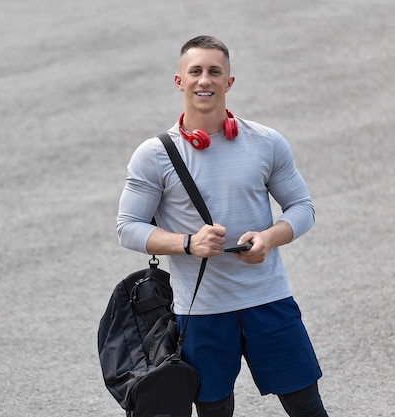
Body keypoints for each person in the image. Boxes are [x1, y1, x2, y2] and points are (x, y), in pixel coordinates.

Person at [116, 35, 329, 417]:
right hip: (200, 313)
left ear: (229, 82)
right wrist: (187, 242)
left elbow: (302, 208)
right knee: (215, 412)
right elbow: (128, 228)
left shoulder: (266, 142)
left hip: (270, 301)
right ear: (179, 81)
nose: (205, 80)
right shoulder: (154, 155)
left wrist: (268, 237)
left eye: (215, 72)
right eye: (195, 71)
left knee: (307, 408)